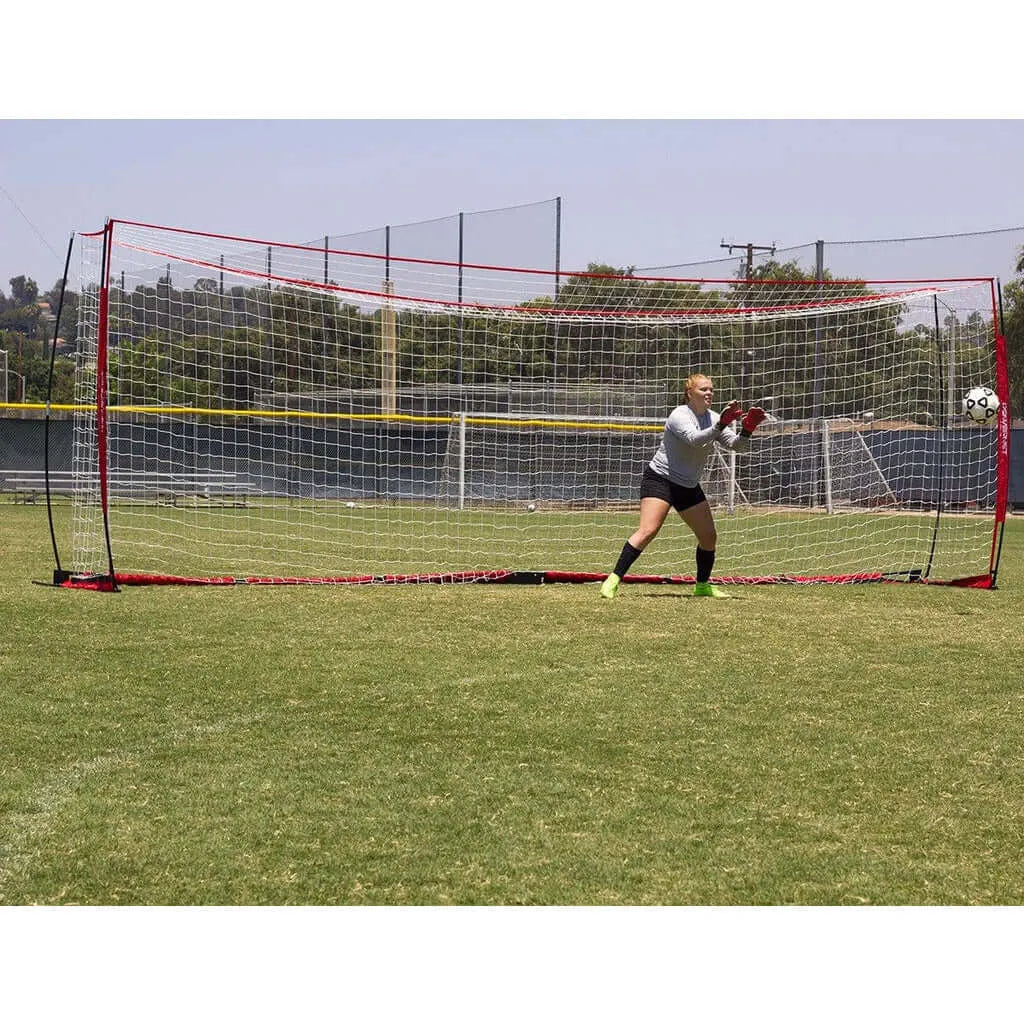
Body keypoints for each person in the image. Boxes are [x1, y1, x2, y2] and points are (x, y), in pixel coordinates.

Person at [600, 373, 767, 600]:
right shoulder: (679, 415)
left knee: (708, 537)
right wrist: (721, 424)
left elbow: (736, 445)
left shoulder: (714, 417)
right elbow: (695, 439)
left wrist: (748, 428)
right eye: (703, 389)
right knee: (647, 531)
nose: (709, 393)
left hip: (688, 486)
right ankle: (613, 580)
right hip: (661, 479)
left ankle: (702, 586)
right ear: (690, 393)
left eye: (711, 389)